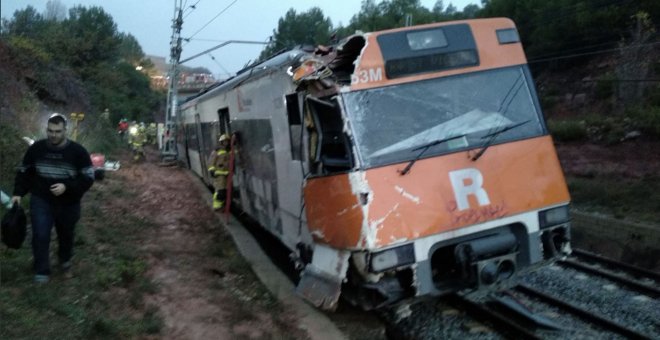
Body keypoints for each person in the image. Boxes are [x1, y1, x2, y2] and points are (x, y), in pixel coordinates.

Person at [11, 113, 95, 284]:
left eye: (57, 131)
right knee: (40, 234)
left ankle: (64, 260)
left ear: (66, 131)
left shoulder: (78, 152)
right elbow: (25, 171)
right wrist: (18, 193)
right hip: (41, 199)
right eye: (50, 131)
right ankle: (41, 270)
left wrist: (67, 187)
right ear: (46, 130)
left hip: (68, 203)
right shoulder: (37, 149)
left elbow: (88, 177)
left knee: (66, 234)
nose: (53, 135)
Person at [208, 134, 230, 210]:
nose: (226, 143)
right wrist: (212, 171)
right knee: (220, 191)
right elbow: (211, 162)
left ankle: (220, 205)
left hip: (225, 175)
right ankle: (217, 206)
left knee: (222, 191)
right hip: (219, 175)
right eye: (224, 141)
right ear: (221, 142)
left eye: (227, 141)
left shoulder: (227, 151)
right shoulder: (217, 151)